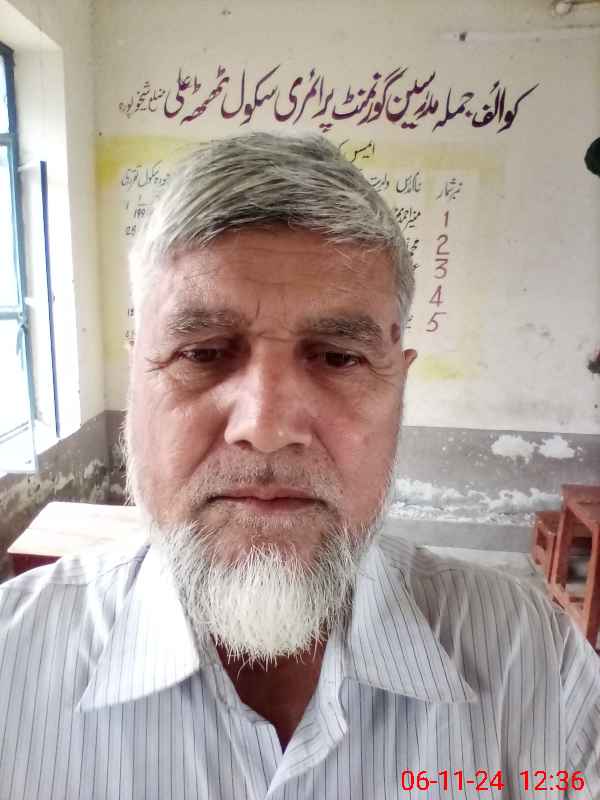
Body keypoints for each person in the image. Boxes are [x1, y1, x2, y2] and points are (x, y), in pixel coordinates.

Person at [0, 131, 598, 800]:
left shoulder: (536, 670)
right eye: (202, 353)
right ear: (137, 379)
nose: (266, 428)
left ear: (398, 389)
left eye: (339, 357)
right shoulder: (10, 668)